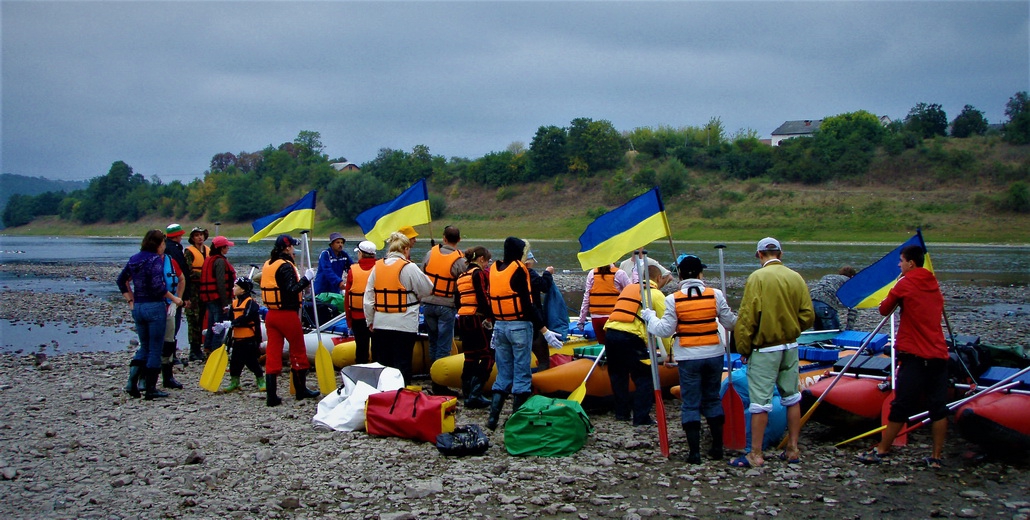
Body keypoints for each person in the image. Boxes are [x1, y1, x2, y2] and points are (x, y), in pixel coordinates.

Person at [857, 245, 949, 469]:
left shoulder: (905, 283)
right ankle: (936, 456)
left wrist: (891, 294)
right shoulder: (934, 283)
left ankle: (882, 449)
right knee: (938, 406)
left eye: (901, 261)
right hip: (939, 354)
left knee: (901, 405)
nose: (899, 265)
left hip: (915, 355)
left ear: (911, 263)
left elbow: (884, 309)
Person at [642, 254, 737, 463]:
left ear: (681, 276)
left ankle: (694, 453)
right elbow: (730, 323)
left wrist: (649, 317)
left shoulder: (673, 299)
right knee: (712, 398)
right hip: (714, 354)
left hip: (688, 357)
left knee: (691, 403)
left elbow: (665, 330)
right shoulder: (716, 295)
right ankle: (717, 448)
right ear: (701, 274)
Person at [731, 237, 814, 468]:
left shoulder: (757, 278)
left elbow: (747, 319)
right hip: (790, 346)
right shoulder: (795, 277)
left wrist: (744, 348)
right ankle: (793, 448)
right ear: (781, 253)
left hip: (765, 348)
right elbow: (808, 315)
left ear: (759, 255)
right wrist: (792, 328)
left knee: (760, 402)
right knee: (792, 397)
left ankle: (755, 454)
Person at [486, 237, 564, 431]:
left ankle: (492, 419)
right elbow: (528, 306)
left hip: (500, 327)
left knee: (503, 375)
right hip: (520, 327)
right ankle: (516, 422)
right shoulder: (520, 270)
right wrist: (545, 331)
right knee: (522, 375)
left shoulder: (494, 269)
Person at [117, 229, 184, 400]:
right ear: (158, 244)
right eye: (163, 243)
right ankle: (150, 388)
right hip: (154, 306)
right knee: (155, 348)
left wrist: (130, 300)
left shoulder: (134, 258)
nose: (164, 247)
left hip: (138, 305)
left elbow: (121, 280)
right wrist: (174, 298)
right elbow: (157, 286)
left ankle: (132, 382)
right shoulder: (154, 260)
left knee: (144, 346)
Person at [363, 231, 434, 386]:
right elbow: (428, 288)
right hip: (404, 324)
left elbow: (368, 298)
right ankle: (401, 396)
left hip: (381, 322)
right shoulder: (410, 267)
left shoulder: (377, 267)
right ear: (406, 250)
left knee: (383, 364)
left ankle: (383, 395)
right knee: (402, 363)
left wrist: (370, 320)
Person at [603, 264, 670, 426]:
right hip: (630, 337)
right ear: (659, 278)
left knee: (618, 375)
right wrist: (670, 354)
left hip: (610, 333)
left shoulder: (628, 289)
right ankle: (641, 417)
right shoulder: (656, 294)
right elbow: (665, 327)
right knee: (644, 377)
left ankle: (622, 413)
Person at [260, 234, 318, 406]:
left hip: (271, 315)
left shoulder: (268, 263)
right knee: (298, 350)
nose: (293, 249)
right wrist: (307, 278)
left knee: (272, 352)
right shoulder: (285, 266)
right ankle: (301, 391)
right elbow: (292, 289)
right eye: (292, 246)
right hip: (287, 315)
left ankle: (272, 396)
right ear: (287, 248)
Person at [421, 225, 467, 394]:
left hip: (428, 304)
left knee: (433, 341)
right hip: (446, 306)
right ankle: (439, 384)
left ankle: (435, 378)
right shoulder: (460, 260)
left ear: (444, 238)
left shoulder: (429, 254)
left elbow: (422, 274)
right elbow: (464, 282)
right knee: (444, 344)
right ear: (459, 240)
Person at [454, 246, 494, 408]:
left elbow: (457, 301)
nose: (487, 265)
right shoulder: (478, 274)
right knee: (488, 356)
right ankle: (476, 394)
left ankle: (467, 391)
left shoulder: (462, 276)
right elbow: (482, 297)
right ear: (481, 259)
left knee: (470, 356)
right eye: (487, 262)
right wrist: (490, 316)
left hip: (463, 319)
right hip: (477, 319)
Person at [223, 277, 266, 393]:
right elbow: (231, 318)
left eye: (235, 286)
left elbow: (247, 317)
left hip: (249, 339)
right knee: (235, 362)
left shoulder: (251, 303)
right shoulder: (234, 303)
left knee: (252, 361)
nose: (233, 288)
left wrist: (232, 323)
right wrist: (224, 325)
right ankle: (235, 382)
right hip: (237, 338)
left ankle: (261, 380)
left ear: (243, 290)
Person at [199, 236, 237, 358]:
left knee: (211, 324)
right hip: (218, 298)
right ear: (221, 248)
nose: (228, 249)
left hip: (209, 298)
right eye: (226, 247)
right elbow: (221, 282)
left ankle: (208, 347)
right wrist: (225, 303)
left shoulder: (209, 259)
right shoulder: (220, 261)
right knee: (219, 325)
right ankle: (215, 352)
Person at [577, 264, 630, 345]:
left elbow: (586, 298)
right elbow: (631, 294)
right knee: (616, 347)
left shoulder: (592, 273)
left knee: (602, 346)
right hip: (613, 318)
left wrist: (581, 320)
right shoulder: (620, 273)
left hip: (596, 319)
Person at [344, 240, 378, 365]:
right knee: (377, 349)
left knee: (361, 348)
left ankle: (360, 372)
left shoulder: (353, 270)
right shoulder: (380, 268)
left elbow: (347, 297)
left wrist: (348, 319)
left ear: (360, 254)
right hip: (376, 316)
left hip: (357, 317)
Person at [524, 243, 556, 371]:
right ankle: (542, 373)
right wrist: (548, 274)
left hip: (512, 320)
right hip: (533, 320)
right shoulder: (529, 273)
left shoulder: (510, 272)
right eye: (532, 261)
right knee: (541, 351)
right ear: (528, 262)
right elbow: (544, 286)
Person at [159, 238, 186, 390]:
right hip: (154, 307)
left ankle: (167, 377)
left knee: (169, 340)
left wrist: (178, 300)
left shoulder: (170, 260)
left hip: (169, 306)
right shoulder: (148, 261)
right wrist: (131, 301)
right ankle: (143, 378)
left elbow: (182, 279)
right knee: (152, 342)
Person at [163, 223, 189, 368]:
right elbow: (182, 276)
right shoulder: (174, 251)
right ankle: (170, 356)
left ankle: (169, 355)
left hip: (170, 295)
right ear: (177, 236)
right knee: (173, 327)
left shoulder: (168, 250)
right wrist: (184, 297)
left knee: (171, 327)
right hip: (174, 296)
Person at [183, 227, 210, 362]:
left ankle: (201, 346)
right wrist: (203, 275)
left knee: (203, 318)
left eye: (201, 235)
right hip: (193, 289)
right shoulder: (189, 252)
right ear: (192, 238)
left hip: (205, 289)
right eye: (197, 235)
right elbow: (187, 272)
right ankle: (194, 349)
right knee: (193, 319)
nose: (200, 238)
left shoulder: (208, 250)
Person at [809, 266, 857, 331]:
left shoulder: (828, 276)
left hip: (811, 301)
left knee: (818, 334)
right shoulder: (850, 282)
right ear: (852, 276)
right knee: (832, 333)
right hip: (826, 303)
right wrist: (849, 328)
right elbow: (853, 306)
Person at [313, 232, 352, 297]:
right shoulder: (325, 254)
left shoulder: (344, 255)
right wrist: (339, 282)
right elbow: (327, 270)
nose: (340, 245)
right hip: (322, 288)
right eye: (338, 242)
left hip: (335, 288)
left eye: (342, 243)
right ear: (331, 244)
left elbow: (351, 267)